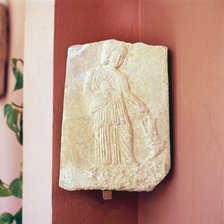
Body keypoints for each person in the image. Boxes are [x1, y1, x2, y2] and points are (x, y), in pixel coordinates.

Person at [83, 40, 147, 166]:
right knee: (104, 133)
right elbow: (86, 92)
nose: (118, 59)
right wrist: (100, 94)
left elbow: (127, 93)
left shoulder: (120, 76)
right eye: (116, 55)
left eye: (121, 57)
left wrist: (139, 103)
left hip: (118, 108)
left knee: (125, 130)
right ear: (108, 54)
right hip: (102, 107)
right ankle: (105, 162)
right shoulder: (93, 72)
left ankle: (128, 158)